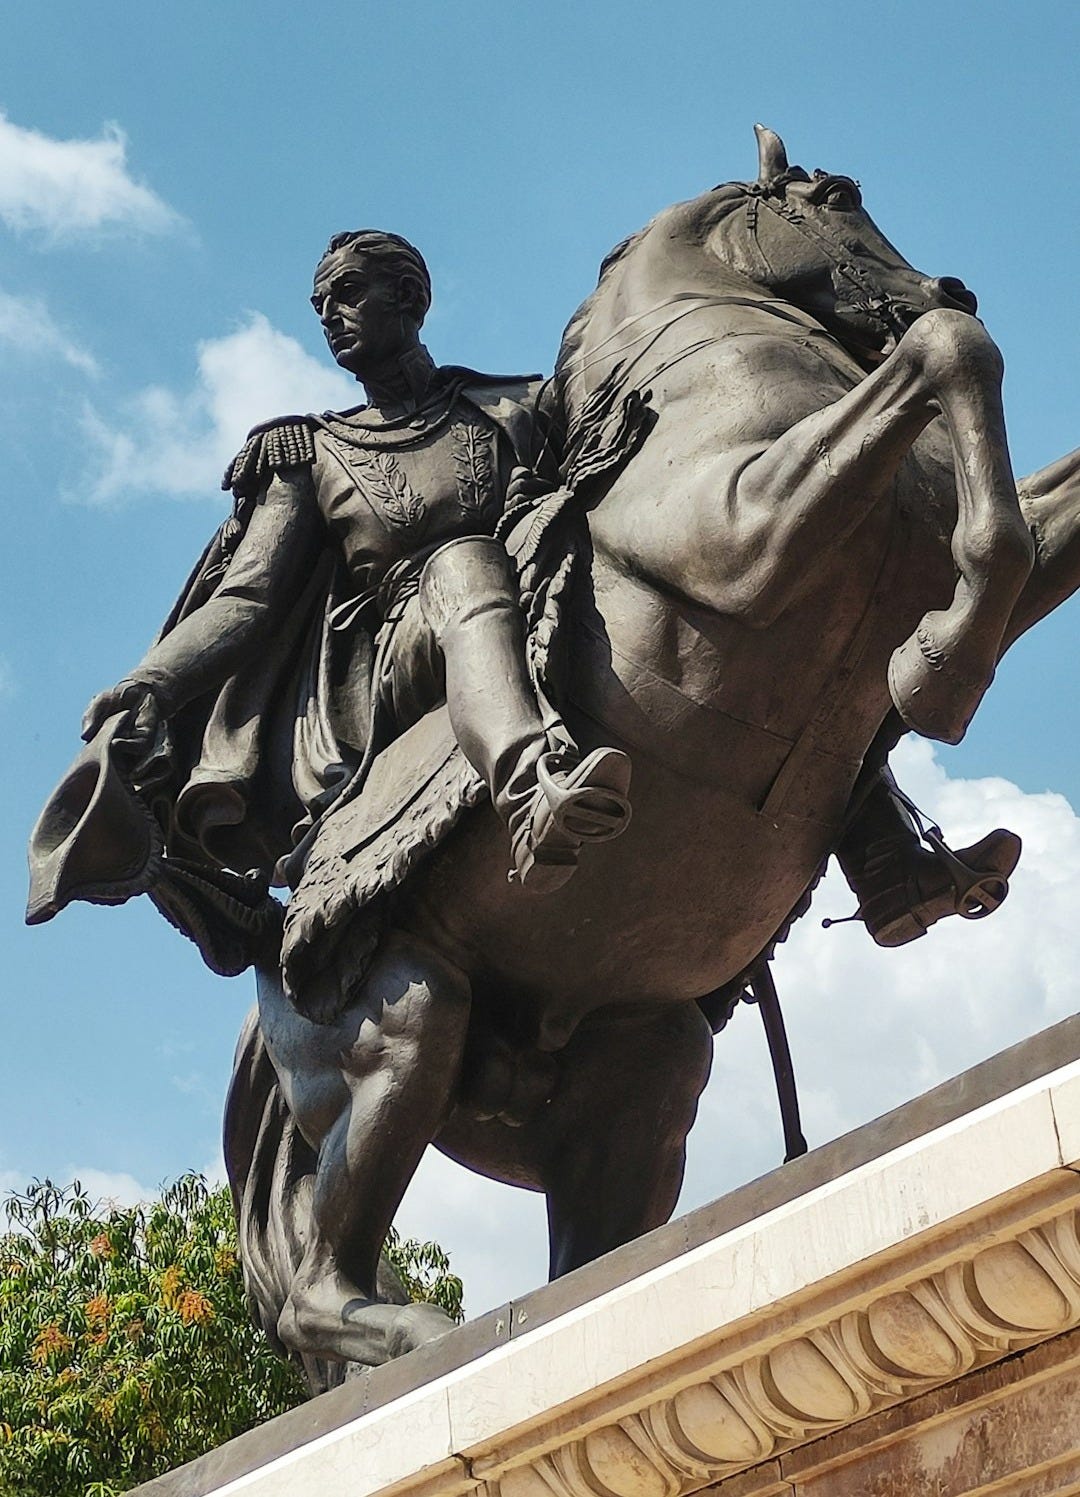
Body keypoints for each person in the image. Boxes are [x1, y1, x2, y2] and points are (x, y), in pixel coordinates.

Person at [81, 230, 632, 898]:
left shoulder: (517, 405)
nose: (329, 316)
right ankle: (531, 791)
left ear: (407, 296)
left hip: (540, 584)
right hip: (402, 652)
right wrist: (150, 685)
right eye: (320, 306)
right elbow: (247, 598)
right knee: (462, 563)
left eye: (346, 292)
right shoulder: (312, 454)